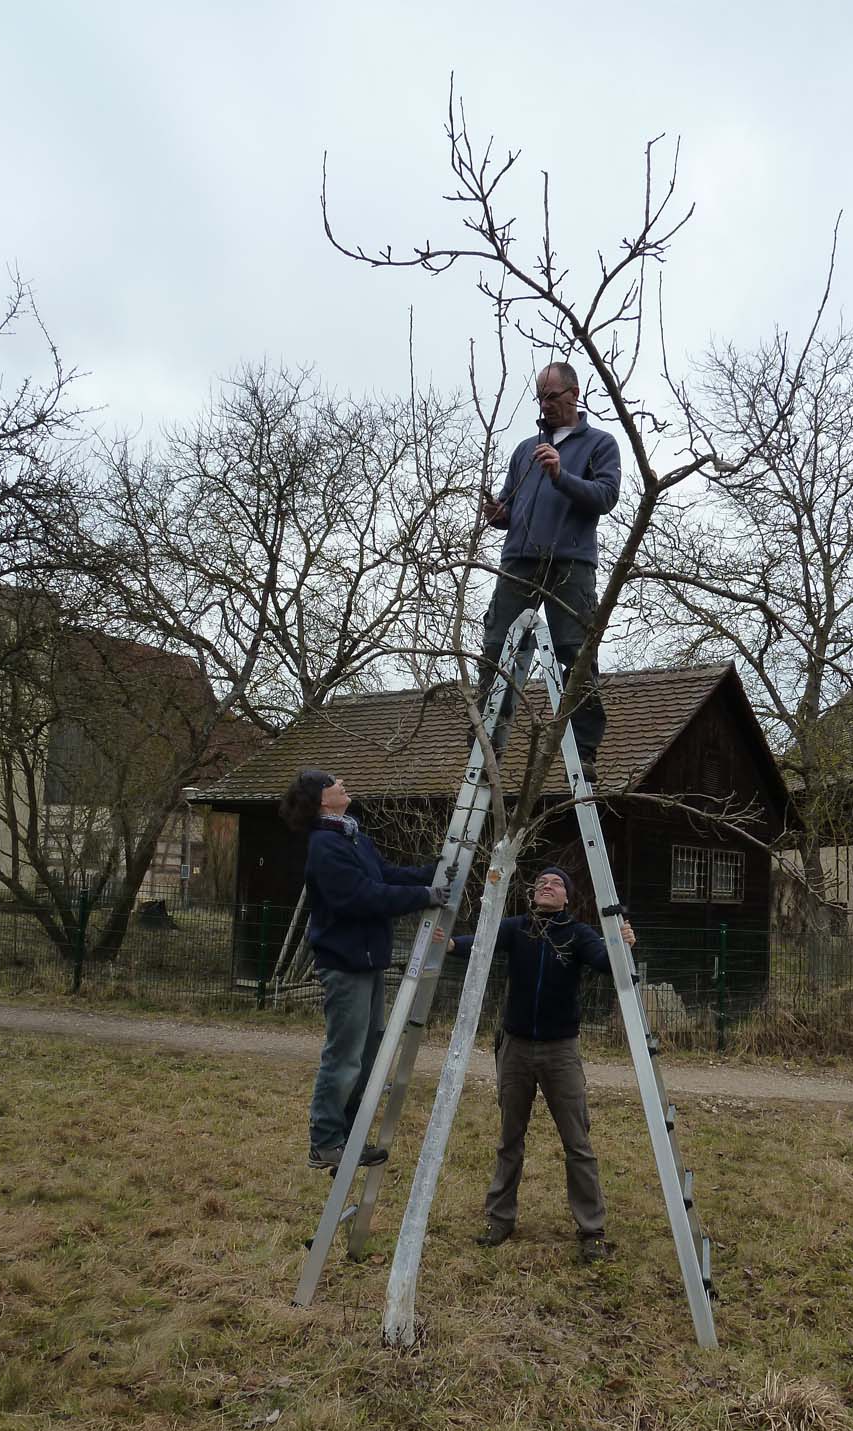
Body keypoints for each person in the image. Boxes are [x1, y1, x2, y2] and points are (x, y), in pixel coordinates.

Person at [438, 866, 636, 1263]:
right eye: (540, 883)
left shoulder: (578, 935)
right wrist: (450, 944)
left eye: (556, 883)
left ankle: (591, 1229)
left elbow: (608, 964)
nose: (546, 886)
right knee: (510, 1138)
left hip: (560, 1051)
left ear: (567, 897)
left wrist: (622, 944)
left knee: (577, 1143)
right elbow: (480, 943)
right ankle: (499, 1218)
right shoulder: (517, 928)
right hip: (515, 1049)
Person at [281, 768, 449, 1171]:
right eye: (333, 782)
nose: (342, 784)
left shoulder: (352, 837)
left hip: (369, 961)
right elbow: (361, 896)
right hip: (346, 964)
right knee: (344, 1057)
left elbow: (386, 875)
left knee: (369, 1055)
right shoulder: (325, 846)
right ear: (323, 799)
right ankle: (325, 1142)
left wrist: (431, 871)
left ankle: (350, 1137)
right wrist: (424, 895)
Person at [475, 363, 622, 781]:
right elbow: (510, 504)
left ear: (575, 393)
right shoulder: (524, 449)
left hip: (570, 562)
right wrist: (498, 514)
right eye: (540, 397)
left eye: (552, 396)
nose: (545, 404)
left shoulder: (599, 443)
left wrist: (561, 475)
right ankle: (487, 742)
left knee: (575, 652)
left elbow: (606, 496)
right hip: (519, 559)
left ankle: (586, 750)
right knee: (497, 646)